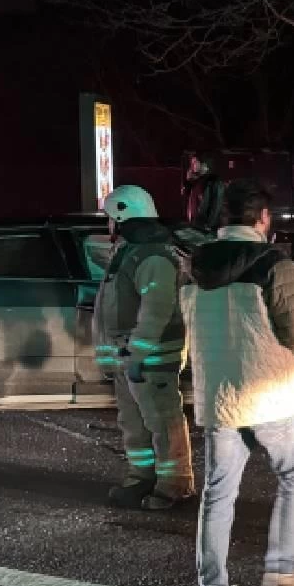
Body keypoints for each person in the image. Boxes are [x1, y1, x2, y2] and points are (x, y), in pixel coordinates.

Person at [180, 178, 294, 586]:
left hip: (220, 397)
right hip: (272, 395)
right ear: (263, 219)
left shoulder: (193, 266)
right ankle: (284, 571)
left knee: (218, 494)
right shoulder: (274, 264)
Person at [96, 185, 196, 511]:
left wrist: (137, 354)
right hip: (132, 358)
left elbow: (156, 311)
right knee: (135, 422)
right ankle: (142, 477)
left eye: (111, 218)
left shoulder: (153, 257)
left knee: (163, 421)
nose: (108, 225)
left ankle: (175, 485)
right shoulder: (131, 252)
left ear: (123, 217)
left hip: (151, 358)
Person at [184, 152, 226, 233]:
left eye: (195, 162)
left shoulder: (214, 182)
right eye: (191, 163)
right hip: (196, 225)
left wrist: (209, 225)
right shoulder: (196, 181)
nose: (192, 166)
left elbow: (216, 206)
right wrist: (188, 182)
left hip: (206, 228)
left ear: (204, 164)